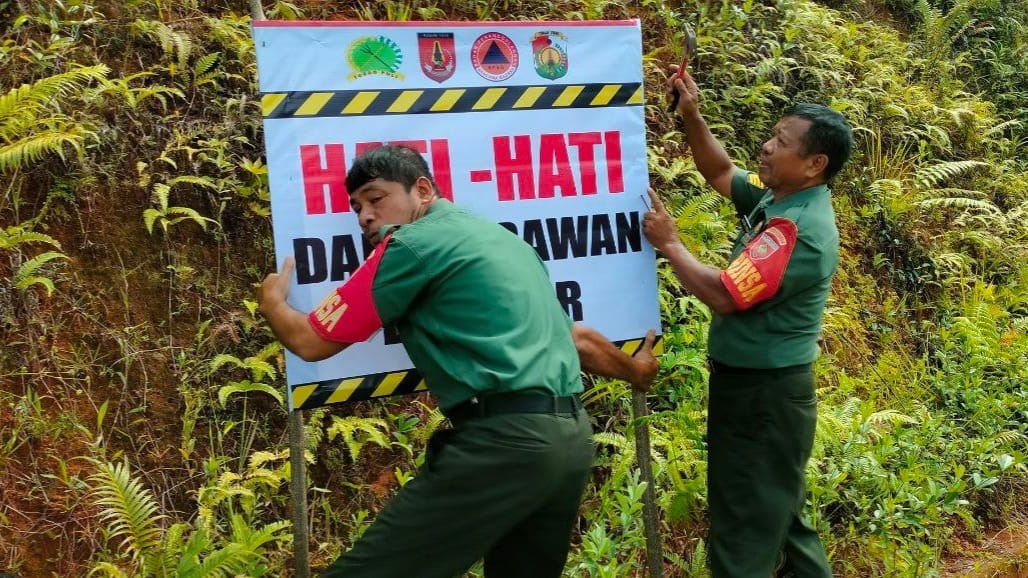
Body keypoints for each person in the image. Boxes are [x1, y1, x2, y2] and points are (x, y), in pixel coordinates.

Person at [258, 145, 660, 578]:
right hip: (570, 440)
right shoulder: (503, 240)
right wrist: (635, 371)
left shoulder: (411, 245)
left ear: (423, 190)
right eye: (356, 207)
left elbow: (309, 340)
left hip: (503, 444)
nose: (364, 217)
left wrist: (272, 304)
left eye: (376, 199)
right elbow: (574, 339)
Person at [643, 65, 853, 577]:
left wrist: (670, 244)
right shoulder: (778, 197)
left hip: (762, 401)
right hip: (765, 396)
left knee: (743, 528)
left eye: (781, 141)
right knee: (780, 517)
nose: (766, 146)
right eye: (772, 136)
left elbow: (726, 293)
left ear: (814, 163)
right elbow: (719, 172)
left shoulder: (795, 228)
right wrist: (691, 115)